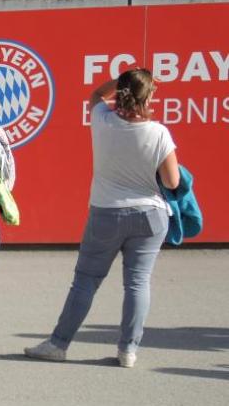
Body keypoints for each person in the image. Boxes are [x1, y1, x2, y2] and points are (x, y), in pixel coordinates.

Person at [24, 68, 179, 367]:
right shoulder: (159, 132)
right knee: (137, 283)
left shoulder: (103, 119)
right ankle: (128, 351)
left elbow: (96, 94)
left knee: (85, 281)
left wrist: (120, 83)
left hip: (106, 212)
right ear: (149, 97)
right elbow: (172, 182)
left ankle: (58, 344)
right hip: (150, 215)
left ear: (120, 93)